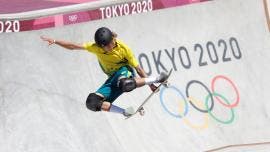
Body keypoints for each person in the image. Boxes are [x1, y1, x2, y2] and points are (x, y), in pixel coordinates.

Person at [41, 27, 168, 117]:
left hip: (125, 72)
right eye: (105, 47)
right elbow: (73, 46)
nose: (108, 48)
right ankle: (125, 112)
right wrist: (56, 41)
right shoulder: (95, 47)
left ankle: (158, 78)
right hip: (112, 79)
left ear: (113, 39)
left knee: (124, 83)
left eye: (109, 44)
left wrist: (151, 84)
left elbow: (138, 68)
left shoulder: (124, 49)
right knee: (92, 102)